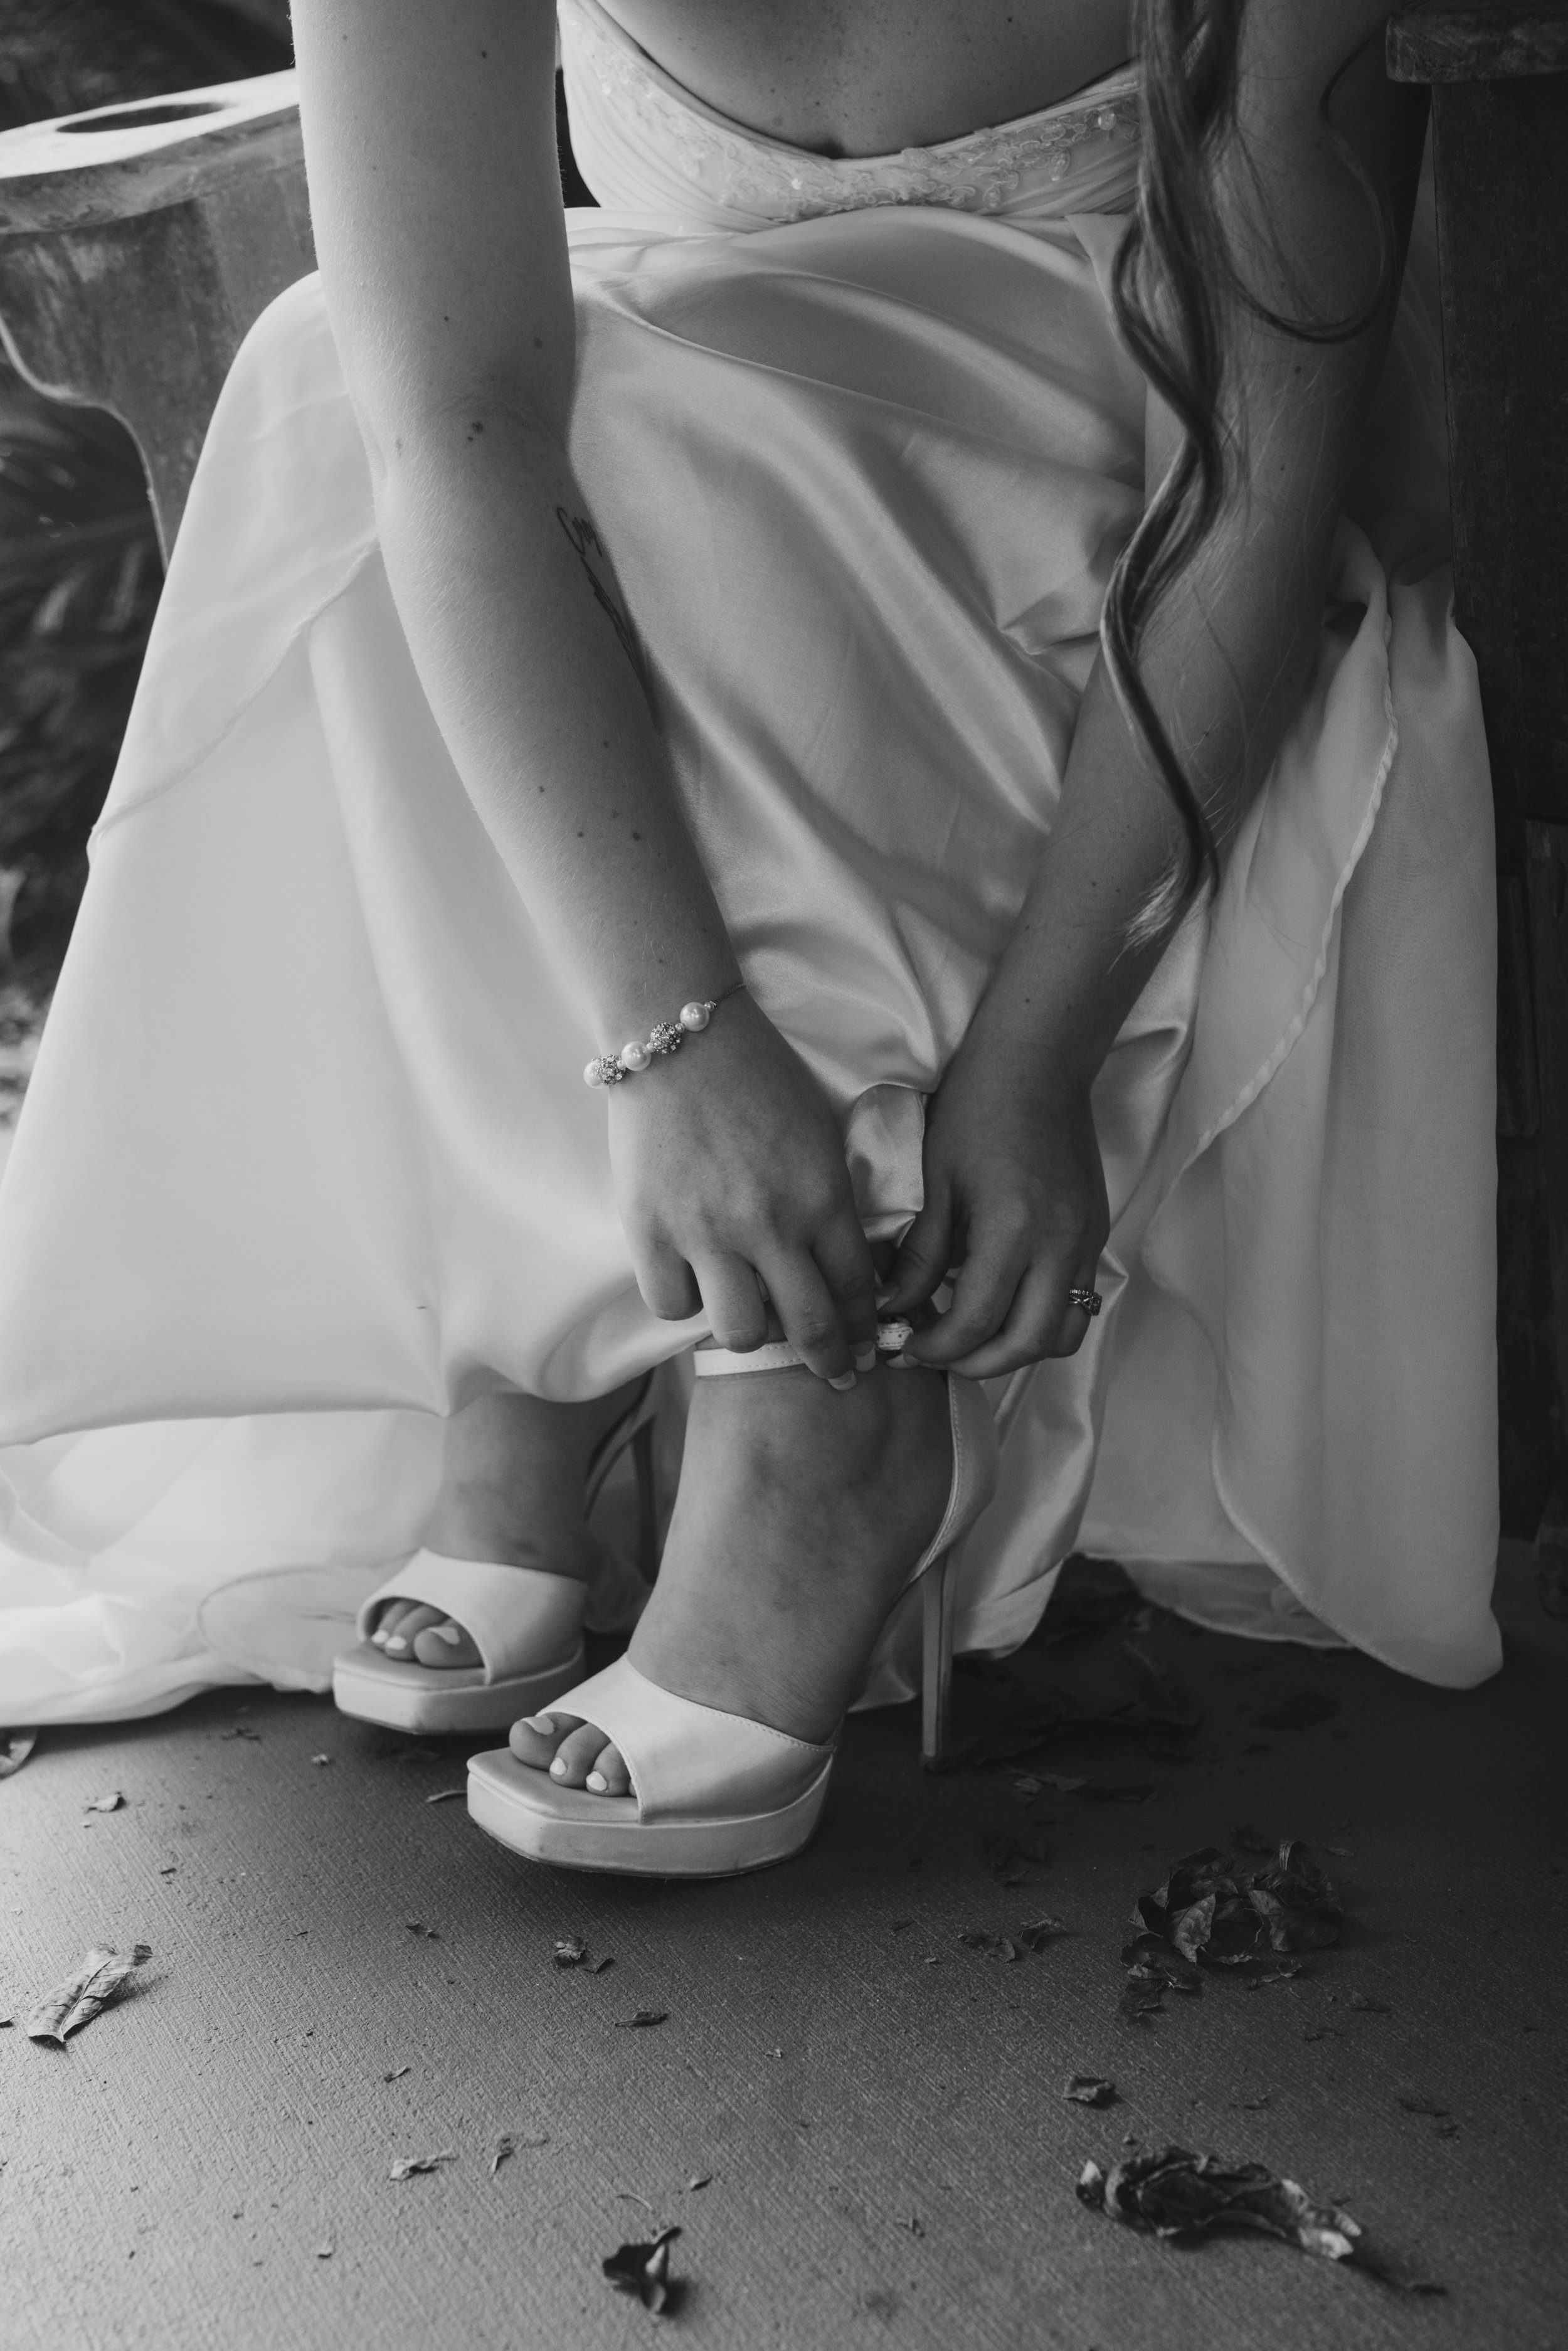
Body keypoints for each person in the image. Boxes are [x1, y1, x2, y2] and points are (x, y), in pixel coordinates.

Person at [0, 0, 1499, 1867]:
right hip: (698, 421)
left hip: (1136, 495)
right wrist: (674, 1043)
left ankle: (828, 1425)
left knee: (707, 424)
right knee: (349, 377)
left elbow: (1255, 487)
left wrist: (1036, 1058)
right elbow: (450, 420)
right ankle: (530, 1355)